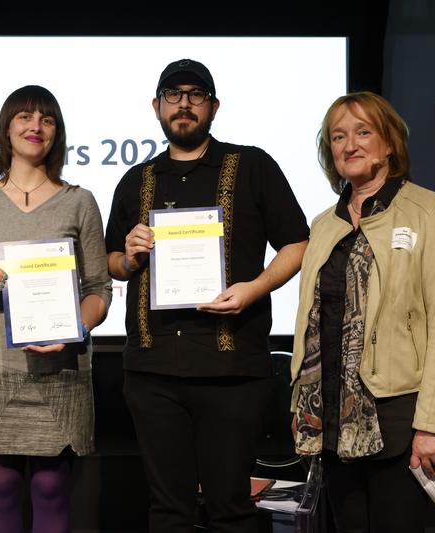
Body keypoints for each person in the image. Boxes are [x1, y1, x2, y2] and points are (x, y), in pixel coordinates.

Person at [105, 58, 309, 532]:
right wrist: (130, 258)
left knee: (231, 507)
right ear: (156, 106)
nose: (183, 105)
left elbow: (298, 244)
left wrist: (254, 288)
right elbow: (111, 260)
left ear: (213, 106)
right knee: (168, 511)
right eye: (172, 95)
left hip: (231, 367)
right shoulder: (135, 180)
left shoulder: (252, 165)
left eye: (195, 95)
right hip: (152, 369)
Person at [291, 91, 435, 533]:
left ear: (389, 143)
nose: (349, 144)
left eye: (363, 132)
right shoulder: (323, 225)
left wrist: (432, 425)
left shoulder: (432, 213)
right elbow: (311, 322)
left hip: (398, 419)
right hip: (330, 417)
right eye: (338, 136)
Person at [0, 85, 111, 533]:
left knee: (50, 488)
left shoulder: (79, 201)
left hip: (59, 368)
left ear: (57, 133)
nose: (35, 127)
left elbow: (99, 287)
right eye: (24, 117)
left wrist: (76, 326)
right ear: (7, 129)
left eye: (47, 119)